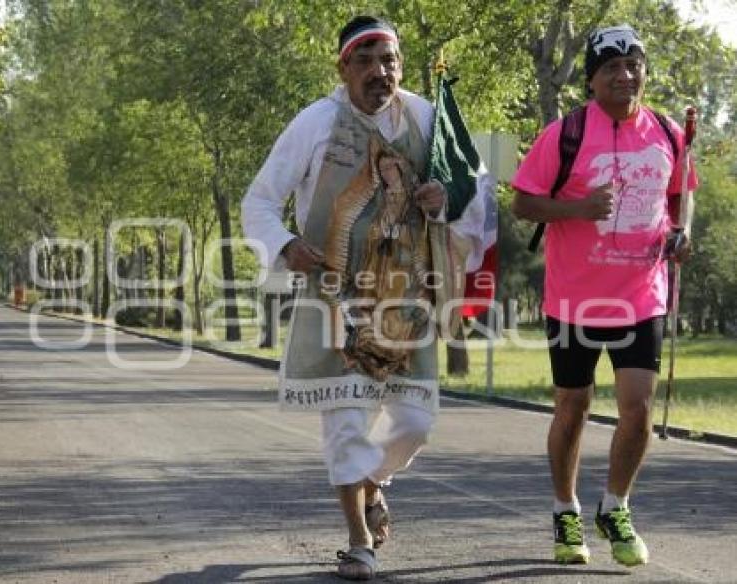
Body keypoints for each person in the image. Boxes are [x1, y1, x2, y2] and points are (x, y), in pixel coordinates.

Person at [242, 15, 484, 581]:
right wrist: (285, 245)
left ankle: (374, 481)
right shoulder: (316, 124)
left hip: (407, 299)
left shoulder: (427, 118)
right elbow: (259, 202)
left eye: (390, 59)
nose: (381, 72)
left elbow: (476, 188)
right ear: (343, 67)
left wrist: (442, 196)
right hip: (334, 298)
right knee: (347, 423)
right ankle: (358, 541)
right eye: (367, 60)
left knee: (415, 424)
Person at [511, 24, 697, 568]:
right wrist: (576, 209)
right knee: (574, 406)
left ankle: (615, 506)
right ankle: (565, 511)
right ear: (593, 80)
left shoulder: (666, 131)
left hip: (642, 293)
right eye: (611, 67)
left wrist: (682, 234)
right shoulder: (564, 134)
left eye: (633, 63)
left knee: (636, 409)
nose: (625, 74)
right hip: (575, 298)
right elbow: (524, 203)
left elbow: (681, 193)